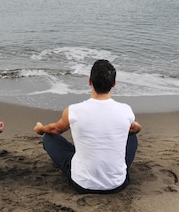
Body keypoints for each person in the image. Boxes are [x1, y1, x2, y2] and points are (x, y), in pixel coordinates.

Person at [34, 59, 141, 194]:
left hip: (82, 184)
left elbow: (55, 129)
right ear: (114, 84)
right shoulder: (125, 110)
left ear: (90, 81)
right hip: (117, 184)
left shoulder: (74, 110)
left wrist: (40, 129)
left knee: (49, 138)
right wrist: (133, 128)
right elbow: (136, 127)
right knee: (132, 136)